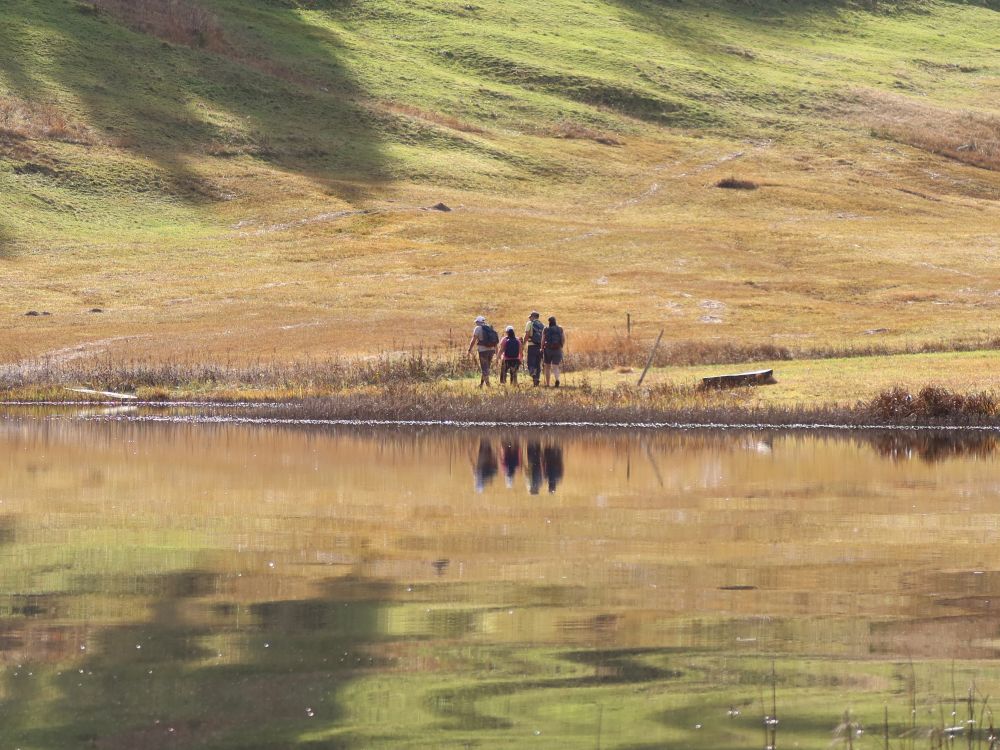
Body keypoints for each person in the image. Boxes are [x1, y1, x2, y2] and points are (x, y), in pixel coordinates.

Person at [467, 315, 498, 387]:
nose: (476, 323)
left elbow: (473, 340)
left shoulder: (477, 328)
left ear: (478, 322)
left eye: (476, 322)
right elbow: (495, 341)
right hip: (491, 350)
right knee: (486, 368)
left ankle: (488, 386)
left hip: (483, 351)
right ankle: (481, 385)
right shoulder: (490, 328)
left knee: (484, 368)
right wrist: (496, 352)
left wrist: (469, 349)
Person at [542, 315, 565, 387]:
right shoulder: (560, 329)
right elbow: (563, 339)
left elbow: (542, 340)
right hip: (557, 349)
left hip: (548, 350)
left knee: (547, 366)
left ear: (549, 322)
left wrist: (542, 348)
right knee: (555, 366)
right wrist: (561, 346)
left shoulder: (545, 329)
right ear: (555, 321)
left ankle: (548, 384)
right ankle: (557, 379)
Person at [523, 311, 544, 386]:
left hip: (532, 346)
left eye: (530, 317)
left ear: (533, 317)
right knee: (538, 364)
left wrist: (523, 344)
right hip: (540, 347)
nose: (529, 318)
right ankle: (537, 379)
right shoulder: (542, 325)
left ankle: (533, 375)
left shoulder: (530, 323)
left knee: (530, 363)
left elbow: (527, 334)